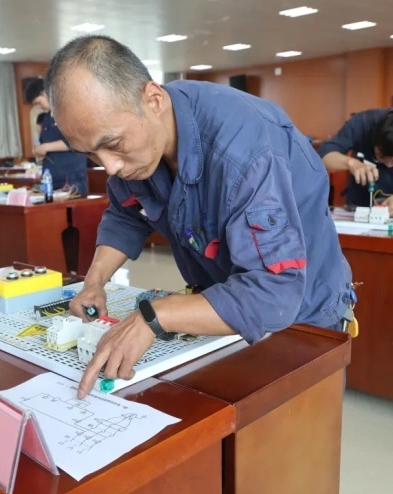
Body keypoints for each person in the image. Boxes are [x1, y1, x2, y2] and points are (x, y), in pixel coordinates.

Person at [44, 35, 353, 399]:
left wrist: (155, 316)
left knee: (288, 428)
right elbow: (126, 214)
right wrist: (95, 281)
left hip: (303, 319)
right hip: (223, 307)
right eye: (90, 154)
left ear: (153, 99)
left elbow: (275, 294)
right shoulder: (140, 140)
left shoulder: (244, 153)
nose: (109, 167)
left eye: (112, 145)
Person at [319, 109, 393, 216]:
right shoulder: (362, 123)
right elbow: (323, 155)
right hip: (360, 203)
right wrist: (352, 164)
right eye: (381, 157)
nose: (388, 165)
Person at [24, 78, 88, 196]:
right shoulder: (46, 118)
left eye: (38, 102)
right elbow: (44, 143)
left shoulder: (68, 112)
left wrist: (45, 147)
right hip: (52, 178)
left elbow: (75, 141)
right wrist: (39, 151)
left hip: (71, 178)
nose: (39, 107)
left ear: (46, 93)